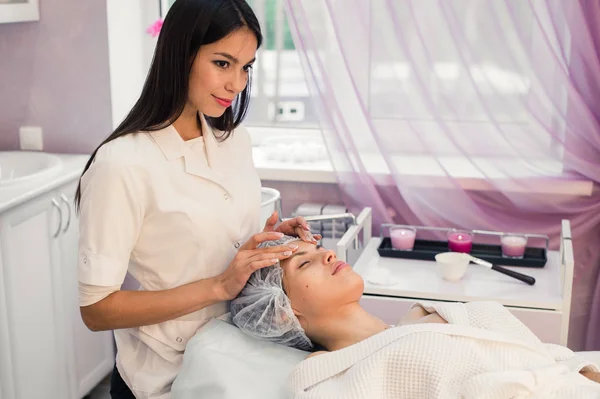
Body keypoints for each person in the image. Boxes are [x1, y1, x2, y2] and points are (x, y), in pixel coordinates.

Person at [75, 1, 320, 398]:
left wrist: (265, 240)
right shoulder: (122, 164)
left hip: (230, 358)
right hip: (164, 377)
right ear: (181, 52)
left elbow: (210, 241)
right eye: (223, 63)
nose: (237, 84)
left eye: (246, 67)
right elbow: (96, 310)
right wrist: (218, 286)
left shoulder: (234, 141)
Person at [231, 236, 600, 397]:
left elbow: (544, 356)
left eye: (319, 248)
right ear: (281, 312)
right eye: (304, 263)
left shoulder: (422, 315)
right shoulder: (327, 373)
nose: (328, 254)